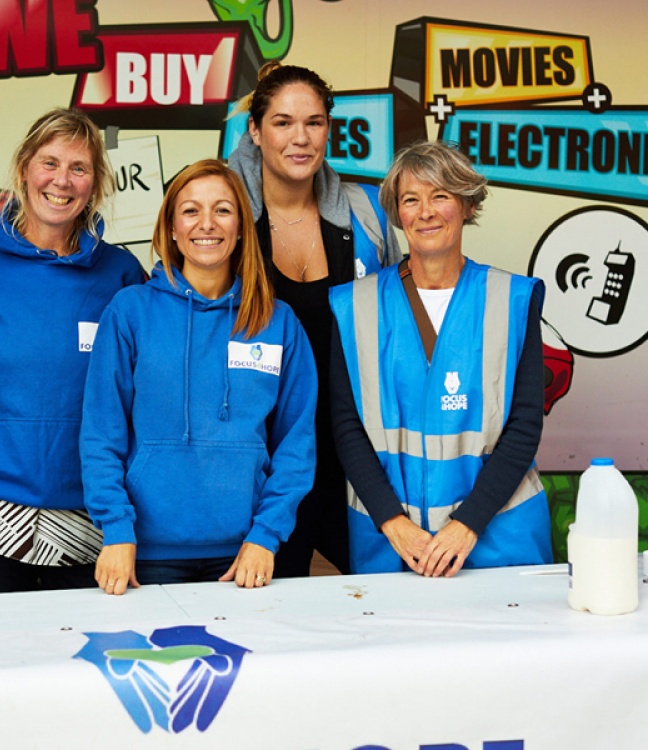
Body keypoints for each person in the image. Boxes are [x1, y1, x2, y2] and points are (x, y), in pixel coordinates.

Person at [81, 159, 316, 595]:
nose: (207, 224)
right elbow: (101, 434)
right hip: (144, 555)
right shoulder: (130, 312)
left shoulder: (277, 322)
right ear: (171, 227)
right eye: (191, 210)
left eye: (223, 210)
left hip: (247, 554)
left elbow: (296, 444)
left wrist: (266, 535)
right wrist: (115, 527)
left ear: (242, 225)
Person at [0, 108, 144, 594]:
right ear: (24, 169)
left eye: (79, 168)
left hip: (91, 513)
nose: (62, 180)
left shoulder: (122, 276)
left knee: (78, 661)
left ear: (95, 184)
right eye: (49, 163)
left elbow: (137, 395)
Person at [329, 141, 552, 576]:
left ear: (467, 205)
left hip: (496, 533)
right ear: (397, 213)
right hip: (394, 538)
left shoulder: (512, 299)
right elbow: (346, 424)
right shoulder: (355, 306)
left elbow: (525, 425)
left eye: (441, 196)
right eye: (411, 200)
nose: (426, 211)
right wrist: (392, 522)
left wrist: (467, 524)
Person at [228, 62, 402, 577]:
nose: (300, 138)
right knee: (260, 627)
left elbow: (396, 331)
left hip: (353, 459)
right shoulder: (222, 215)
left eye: (314, 122)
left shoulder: (367, 213)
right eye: (282, 122)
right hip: (256, 469)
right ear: (255, 131)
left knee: (393, 607)